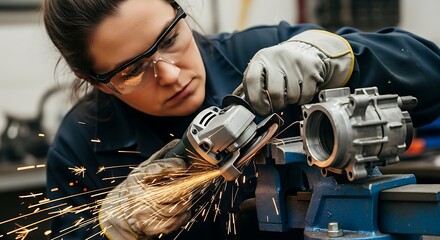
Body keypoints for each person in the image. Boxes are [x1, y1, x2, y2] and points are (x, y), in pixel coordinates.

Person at [41, 0, 440, 239]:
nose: (171, 75)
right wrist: (112, 233)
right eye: (132, 70)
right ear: (95, 81)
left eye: (168, 40)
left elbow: (431, 75)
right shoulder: (80, 150)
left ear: (180, 12)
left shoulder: (267, 51)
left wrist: (340, 58)